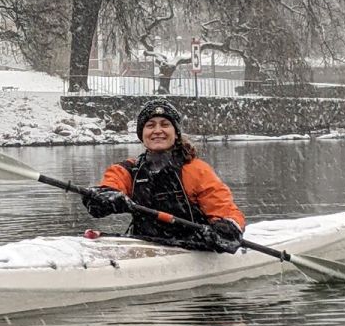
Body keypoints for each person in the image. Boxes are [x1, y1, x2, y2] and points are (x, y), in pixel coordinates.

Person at [82, 99, 246, 253]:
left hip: (193, 247)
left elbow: (226, 209)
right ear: (142, 134)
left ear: (176, 134)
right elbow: (107, 188)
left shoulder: (197, 170)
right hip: (146, 246)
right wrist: (103, 198)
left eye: (165, 125)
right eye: (150, 125)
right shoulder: (128, 170)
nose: (157, 130)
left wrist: (227, 227)